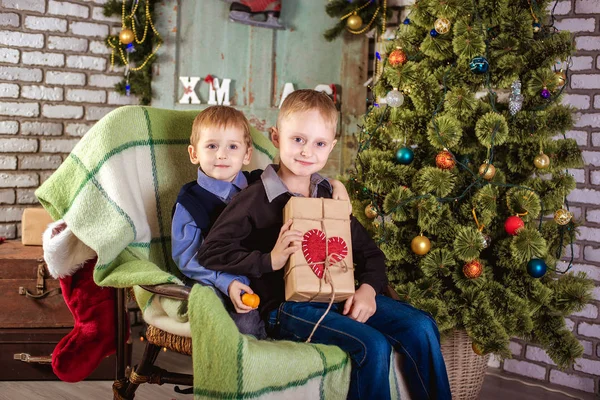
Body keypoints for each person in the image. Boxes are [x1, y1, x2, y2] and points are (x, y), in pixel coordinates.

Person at [197, 91, 452, 399]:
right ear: (276, 137)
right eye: (298, 140)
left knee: (421, 325)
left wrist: (369, 290)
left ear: (331, 146)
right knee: (373, 345)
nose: (307, 152)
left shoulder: (329, 197)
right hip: (287, 309)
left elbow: (371, 254)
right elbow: (211, 251)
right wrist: (270, 260)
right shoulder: (254, 198)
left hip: (338, 298)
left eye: (319, 143)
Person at [172, 104, 350, 340]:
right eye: (212, 146)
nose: (222, 155)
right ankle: (257, 365)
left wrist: (336, 184)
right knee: (243, 323)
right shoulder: (190, 201)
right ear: (194, 154)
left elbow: (300, 175)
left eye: (232, 147)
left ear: (247, 154)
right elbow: (188, 259)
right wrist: (227, 283)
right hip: (217, 278)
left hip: (264, 275)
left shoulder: (261, 183)